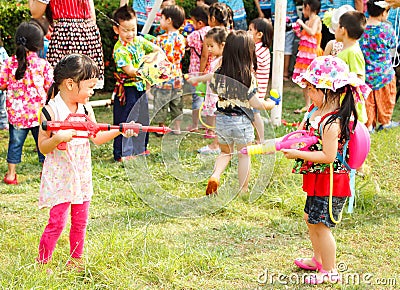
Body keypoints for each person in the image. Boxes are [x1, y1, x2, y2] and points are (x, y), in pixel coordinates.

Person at [36, 54, 137, 269]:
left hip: (81, 173)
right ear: (70, 84)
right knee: (57, 222)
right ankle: (42, 262)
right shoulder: (50, 111)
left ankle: (76, 260)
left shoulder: (85, 109)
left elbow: (97, 137)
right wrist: (57, 138)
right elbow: (42, 147)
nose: (92, 92)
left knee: (80, 220)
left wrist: (121, 129)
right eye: (90, 87)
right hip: (61, 174)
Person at [286, 55, 371, 285]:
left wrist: (298, 154)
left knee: (322, 226)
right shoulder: (318, 112)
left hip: (331, 181)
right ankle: (318, 259)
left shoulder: (333, 123)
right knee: (310, 218)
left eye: (312, 89)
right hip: (318, 178)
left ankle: (330, 271)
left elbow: (328, 156)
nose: (308, 93)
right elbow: (307, 134)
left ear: (328, 91)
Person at [188, 31, 278, 195]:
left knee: (225, 152)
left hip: (222, 120)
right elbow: (256, 103)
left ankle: (215, 175)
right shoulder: (248, 76)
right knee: (244, 155)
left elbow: (214, 89)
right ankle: (243, 189)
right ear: (248, 52)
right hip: (242, 122)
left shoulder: (219, 73)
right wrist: (271, 104)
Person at [0, 22, 53, 185]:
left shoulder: (8, 63)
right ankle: (45, 171)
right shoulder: (43, 65)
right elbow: (50, 87)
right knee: (43, 144)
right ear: (38, 45)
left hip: (16, 116)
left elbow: (1, 84)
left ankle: (11, 174)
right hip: (39, 115)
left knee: (15, 144)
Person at [112, 5, 163, 162]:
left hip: (140, 87)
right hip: (127, 90)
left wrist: (153, 58)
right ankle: (122, 153)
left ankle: (140, 148)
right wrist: (146, 66)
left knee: (142, 118)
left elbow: (158, 51)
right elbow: (130, 71)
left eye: (133, 29)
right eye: (126, 30)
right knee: (126, 119)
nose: (130, 34)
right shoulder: (119, 50)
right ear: (116, 29)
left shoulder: (139, 40)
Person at [29, 0, 105, 89]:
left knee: (63, 85)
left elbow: (36, 13)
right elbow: (92, 15)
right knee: (84, 85)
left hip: (66, 34)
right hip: (89, 32)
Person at [360, 0, 398, 132]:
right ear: (383, 12)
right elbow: (393, 44)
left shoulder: (361, 29)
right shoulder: (386, 29)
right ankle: (385, 121)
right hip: (384, 74)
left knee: (367, 101)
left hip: (366, 74)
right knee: (386, 99)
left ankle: (368, 125)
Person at [152, 5, 186, 134]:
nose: (160, 21)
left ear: (169, 20)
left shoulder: (160, 39)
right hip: (177, 76)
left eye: (162, 18)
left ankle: (161, 127)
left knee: (161, 103)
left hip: (163, 77)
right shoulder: (182, 39)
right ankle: (177, 127)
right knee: (177, 103)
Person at [197, 27, 228, 155]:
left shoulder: (222, 60)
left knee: (219, 121)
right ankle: (218, 144)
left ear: (222, 45)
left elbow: (213, 76)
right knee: (218, 121)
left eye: (211, 46)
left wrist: (198, 78)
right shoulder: (217, 59)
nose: (208, 49)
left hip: (218, 96)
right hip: (213, 93)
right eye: (207, 46)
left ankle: (216, 145)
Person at [292, 0, 323, 114]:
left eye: (304, 7)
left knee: (313, 80)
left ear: (308, 7)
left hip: (313, 54)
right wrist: (297, 31)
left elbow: (312, 32)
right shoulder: (309, 20)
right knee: (305, 81)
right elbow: (304, 36)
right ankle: (307, 104)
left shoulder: (316, 19)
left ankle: (316, 103)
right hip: (305, 55)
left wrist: (301, 23)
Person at [186, 4, 211, 132]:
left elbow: (185, 43)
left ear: (199, 22)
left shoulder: (195, 35)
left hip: (197, 71)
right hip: (211, 72)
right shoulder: (213, 32)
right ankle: (207, 125)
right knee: (210, 99)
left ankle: (195, 124)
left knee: (197, 98)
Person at [248, 18, 273, 143]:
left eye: (250, 30)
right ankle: (256, 138)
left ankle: (261, 139)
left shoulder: (258, 50)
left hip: (256, 90)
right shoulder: (262, 48)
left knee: (255, 115)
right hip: (256, 89)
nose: (248, 32)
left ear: (259, 34)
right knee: (252, 114)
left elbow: (251, 67)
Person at [271, 0, 298, 81]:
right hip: (284, 17)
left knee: (281, 46)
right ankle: (283, 73)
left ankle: (282, 73)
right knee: (285, 47)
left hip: (283, 18)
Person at [0, 32, 9, 130]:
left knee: (2, 104)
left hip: (1, 82)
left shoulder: (1, 50)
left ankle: (3, 122)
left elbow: (6, 62)